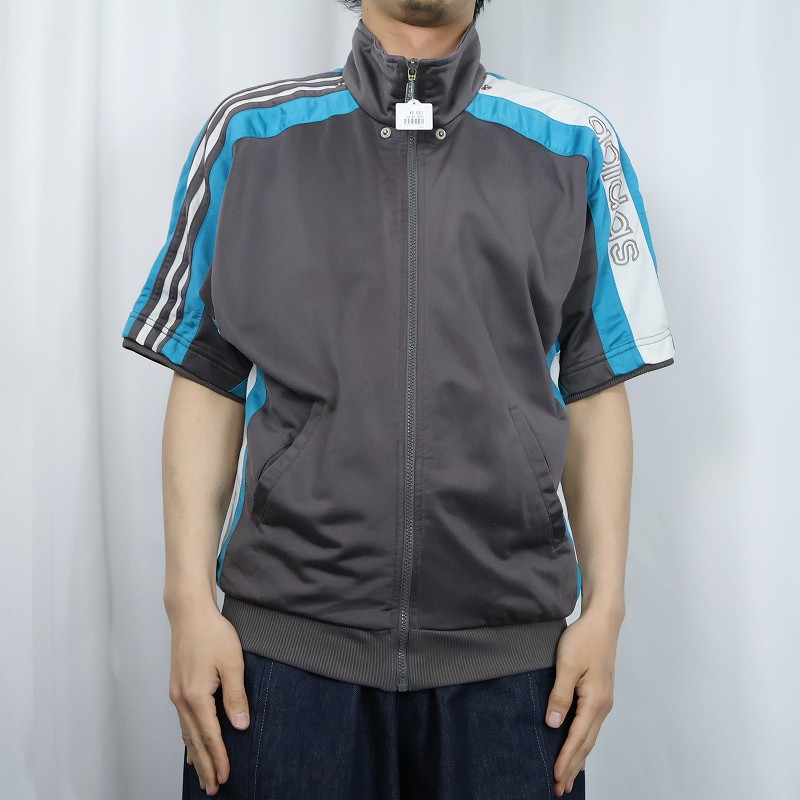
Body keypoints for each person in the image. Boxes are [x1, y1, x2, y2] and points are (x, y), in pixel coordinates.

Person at [120, 0, 676, 797]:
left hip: (514, 675)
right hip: (280, 665)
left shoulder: (575, 146)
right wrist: (187, 605)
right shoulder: (251, 136)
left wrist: (606, 610)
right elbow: (208, 375)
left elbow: (594, 389)